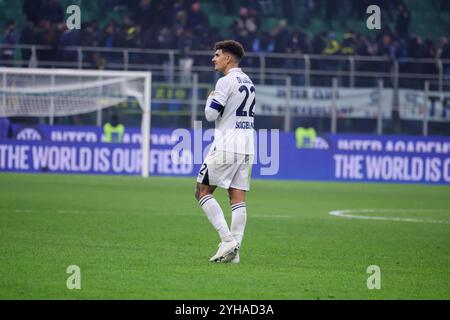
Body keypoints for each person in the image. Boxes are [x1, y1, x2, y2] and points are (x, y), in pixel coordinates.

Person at [195, 40, 255, 264]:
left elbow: (210, 115)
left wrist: (210, 98)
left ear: (228, 58)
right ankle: (235, 253)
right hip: (247, 145)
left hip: (227, 145)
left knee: (202, 191)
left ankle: (227, 240)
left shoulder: (224, 82)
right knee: (237, 197)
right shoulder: (249, 82)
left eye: (217, 55)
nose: (214, 58)